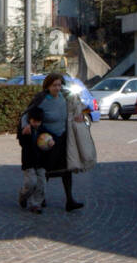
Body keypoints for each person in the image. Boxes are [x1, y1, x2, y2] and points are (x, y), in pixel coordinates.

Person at [18, 69, 87, 214]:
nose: (57, 88)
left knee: (66, 170)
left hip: (62, 138)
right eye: (54, 85)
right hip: (47, 139)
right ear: (48, 86)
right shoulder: (41, 98)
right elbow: (26, 114)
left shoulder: (65, 96)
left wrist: (79, 115)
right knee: (46, 171)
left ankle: (70, 200)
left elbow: (77, 107)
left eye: (59, 85)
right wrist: (26, 126)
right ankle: (39, 198)